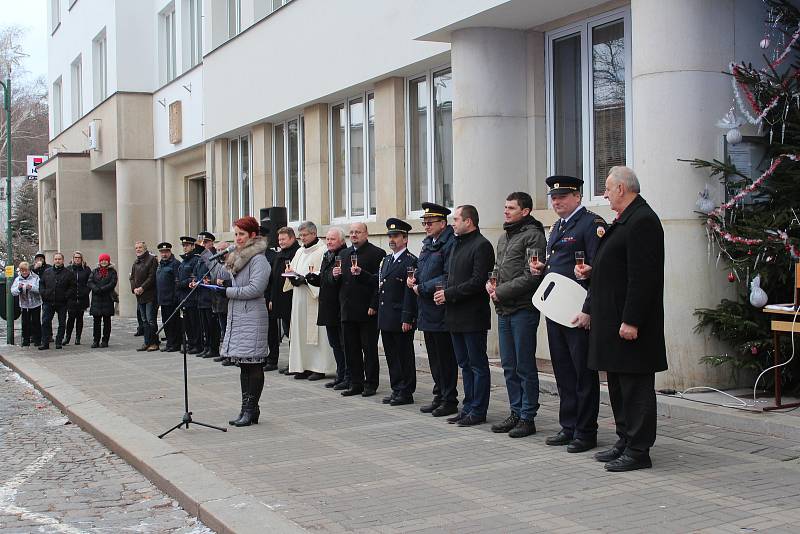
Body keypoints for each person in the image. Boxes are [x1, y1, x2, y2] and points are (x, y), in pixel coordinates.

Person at [573, 166, 667, 472]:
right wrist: (593, 271)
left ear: (623, 189)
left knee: (635, 388)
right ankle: (625, 440)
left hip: (629, 324)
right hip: (611, 321)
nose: (604, 194)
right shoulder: (625, 219)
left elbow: (644, 277)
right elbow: (617, 265)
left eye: (608, 189)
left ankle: (639, 450)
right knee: (616, 384)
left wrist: (632, 320)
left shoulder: (643, 221)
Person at [531, 175, 604, 453]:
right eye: (553, 197)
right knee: (563, 370)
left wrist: (589, 310)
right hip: (557, 309)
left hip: (578, 310)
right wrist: (543, 269)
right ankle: (569, 425)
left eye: (562, 196)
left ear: (578, 197)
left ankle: (586, 432)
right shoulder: (558, 226)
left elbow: (598, 269)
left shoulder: (591, 224)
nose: (557, 201)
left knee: (582, 373)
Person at [486, 192, 546, 439]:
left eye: (511, 208)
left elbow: (531, 275)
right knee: (509, 365)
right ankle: (515, 411)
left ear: (526, 211)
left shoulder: (534, 236)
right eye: (505, 207)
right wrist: (491, 283)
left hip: (523, 309)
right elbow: (500, 269)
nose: (506, 211)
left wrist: (500, 291)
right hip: (504, 309)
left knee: (524, 365)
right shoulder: (504, 237)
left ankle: (527, 417)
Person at [434, 205, 495, 427]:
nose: (453, 223)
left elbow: (478, 282)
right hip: (454, 315)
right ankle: (468, 407)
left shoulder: (482, 246)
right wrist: (444, 293)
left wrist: (448, 294)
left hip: (473, 316)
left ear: (469, 221)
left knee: (477, 364)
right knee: (464, 364)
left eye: (457, 219)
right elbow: (451, 276)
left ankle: (478, 410)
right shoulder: (456, 245)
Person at [409, 202, 459, 417]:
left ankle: (449, 399)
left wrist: (422, 287)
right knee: (434, 358)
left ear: (443, 223)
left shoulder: (450, 243)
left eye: (430, 222)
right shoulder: (428, 243)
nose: (427, 226)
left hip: (440, 308)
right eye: (424, 222)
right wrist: (415, 279)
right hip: (426, 309)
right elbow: (422, 269)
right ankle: (439, 394)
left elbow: (448, 276)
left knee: (445, 358)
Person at [220, 216, 271, 427]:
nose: (238, 238)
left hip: (253, 316)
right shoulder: (238, 256)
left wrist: (227, 291)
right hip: (239, 315)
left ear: (252, 235)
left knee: (254, 364)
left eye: (241, 234)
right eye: (236, 234)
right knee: (243, 365)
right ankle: (246, 408)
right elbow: (226, 277)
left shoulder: (259, 259)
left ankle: (251, 409)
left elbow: (255, 289)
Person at [335, 222, 385, 397]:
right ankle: (355, 382)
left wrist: (374, 304)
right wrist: (334, 276)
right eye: (351, 232)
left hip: (366, 310)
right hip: (348, 309)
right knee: (351, 349)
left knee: (369, 349)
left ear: (366, 234)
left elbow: (379, 283)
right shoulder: (344, 253)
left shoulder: (377, 253)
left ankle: (370, 383)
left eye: (358, 232)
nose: (354, 235)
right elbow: (339, 283)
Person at [284, 221, 336, 380]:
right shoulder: (299, 251)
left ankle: (318, 368)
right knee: (300, 332)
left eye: (305, 235)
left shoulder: (322, 251)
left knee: (316, 334)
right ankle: (303, 366)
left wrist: (305, 281)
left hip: (314, 298)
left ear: (314, 234)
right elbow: (291, 269)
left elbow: (323, 274)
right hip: (299, 299)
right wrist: (292, 278)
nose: (302, 238)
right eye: (300, 235)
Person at [377, 219, 418, 406]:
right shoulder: (386, 260)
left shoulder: (410, 261)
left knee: (404, 355)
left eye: (395, 236)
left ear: (405, 238)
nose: (392, 239)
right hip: (387, 316)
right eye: (390, 236)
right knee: (392, 355)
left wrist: (408, 316)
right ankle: (396, 388)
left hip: (401, 316)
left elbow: (410, 293)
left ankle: (406, 391)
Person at [306, 227, 349, 389]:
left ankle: (347, 376)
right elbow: (325, 279)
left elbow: (338, 280)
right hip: (328, 307)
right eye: (328, 239)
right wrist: (313, 279)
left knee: (343, 344)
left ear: (342, 241)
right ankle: (341, 374)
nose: (329, 242)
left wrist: (328, 277)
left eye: (333, 239)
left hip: (339, 307)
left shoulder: (344, 255)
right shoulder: (327, 255)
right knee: (335, 344)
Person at [269, 227, 300, 372]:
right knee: (287, 331)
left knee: (292, 332)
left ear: (292, 238)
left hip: (292, 298)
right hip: (279, 299)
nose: (280, 242)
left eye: (283, 239)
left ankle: (294, 363)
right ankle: (291, 361)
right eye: (279, 239)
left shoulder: (297, 253)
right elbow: (274, 279)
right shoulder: (279, 255)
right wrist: (271, 299)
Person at [39, 252, 76, 350]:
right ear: (53, 260)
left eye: (59, 259)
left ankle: (59, 341)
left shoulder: (68, 273)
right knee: (45, 322)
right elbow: (41, 283)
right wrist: (44, 292)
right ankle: (45, 342)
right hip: (48, 301)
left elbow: (72, 287)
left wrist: (66, 296)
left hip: (62, 302)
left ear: (62, 260)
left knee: (62, 323)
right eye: (56, 259)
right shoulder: (47, 272)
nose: (57, 261)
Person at [195, 232, 222, 359]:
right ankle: (207, 347)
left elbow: (217, 274)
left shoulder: (214, 256)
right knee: (204, 325)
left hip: (212, 297)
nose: (203, 245)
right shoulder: (201, 257)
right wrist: (194, 280)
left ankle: (213, 348)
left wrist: (209, 281)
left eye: (205, 242)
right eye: (202, 242)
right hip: (202, 295)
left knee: (212, 326)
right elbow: (196, 273)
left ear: (211, 242)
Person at [129, 241, 159, 352]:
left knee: (151, 320)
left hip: (150, 295)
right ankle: (146, 342)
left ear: (145, 248)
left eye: (140, 247)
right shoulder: (136, 262)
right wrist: (134, 289)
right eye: (136, 248)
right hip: (139, 296)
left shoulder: (151, 260)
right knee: (144, 320)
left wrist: (142, 287)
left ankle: (154, 343)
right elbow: (131, 277)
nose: (138, 249)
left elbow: (152, 277)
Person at [177, 236, 203, 354]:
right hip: (184, 297)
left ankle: (197, 344)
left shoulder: (195, 260)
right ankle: (191, 343)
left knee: (194, 323)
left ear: (193, 246)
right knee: (187, 323)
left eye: (187, 245)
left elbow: (193, 278)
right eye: (184, 245)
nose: (185, 248)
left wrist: (183, 283)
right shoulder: (184, 261)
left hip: (192, 296)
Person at [208, 240, 232, 365]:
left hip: (228, 301)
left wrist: (223, 283)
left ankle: (230, 355)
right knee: (223, 330)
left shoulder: (232, 263)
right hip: (218, 300)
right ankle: (225, 353)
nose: (219, 253)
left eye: (222, 250)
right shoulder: (217, 263)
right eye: (217, 250)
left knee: (229, 329)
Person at [87, 253, 118, 348]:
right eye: (102, 260)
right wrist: (96, 288)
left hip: (107, 298)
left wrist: (102, 289)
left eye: (105, 260)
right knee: (96, 321)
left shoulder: (112, 272)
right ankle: (96, 340)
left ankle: (105, 340)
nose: (103, 262)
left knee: (107, 321)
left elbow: (113, 283)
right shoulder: (94, 271)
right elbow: (90, 281)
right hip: (96, 299)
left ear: (108, 261)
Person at [156, 242, 182, 352]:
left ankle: (175, 344)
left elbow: (177, 282)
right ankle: (169, 343)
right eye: (162, 252)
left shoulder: (175, 264)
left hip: (172, 299)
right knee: (166, 322)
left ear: (170, 252)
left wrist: (175, 297)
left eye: (166, 252)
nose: (164, 254)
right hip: (163, 299)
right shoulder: (161, 264)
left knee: (174, 323)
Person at [64, 251, 92, 346]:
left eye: (79, 257)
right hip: (71, 298)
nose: (77, 259)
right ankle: (67, 337)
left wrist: (86, 291)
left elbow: (90, 282)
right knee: (71, 318)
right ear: (73, 258)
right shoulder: (68, 269)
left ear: (81, 259)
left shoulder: (86, 269)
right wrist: (67, 294)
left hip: (82, 297)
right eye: (75, 257)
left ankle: (78, 337)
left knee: (80, 318)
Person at [11, 261, 42, 347]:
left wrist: (31, 288)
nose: (24, 272)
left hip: (35, 304)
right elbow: (13, 292)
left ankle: (37, 339)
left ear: (29, 270)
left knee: (36, 321)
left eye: (26, 270)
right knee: (25, 323)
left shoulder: (35, 277)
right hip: (24, 305)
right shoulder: (17, 279)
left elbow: (40, 289)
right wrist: (19, 288)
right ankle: (26, 339)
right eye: (22, 271)